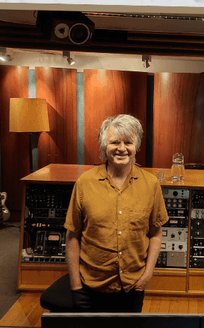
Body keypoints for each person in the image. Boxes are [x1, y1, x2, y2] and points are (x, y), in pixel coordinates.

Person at [63, 114, 169, 312]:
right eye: (114, 142)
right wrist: (76, 286)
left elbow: (155, 233)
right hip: (90, 288)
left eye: (128, 142)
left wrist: (147, 275)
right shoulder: (84, 183)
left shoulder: (151, 184)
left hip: (133, 287)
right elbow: (72, 236)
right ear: (104, 146)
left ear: (136, 147)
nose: (121, 148)